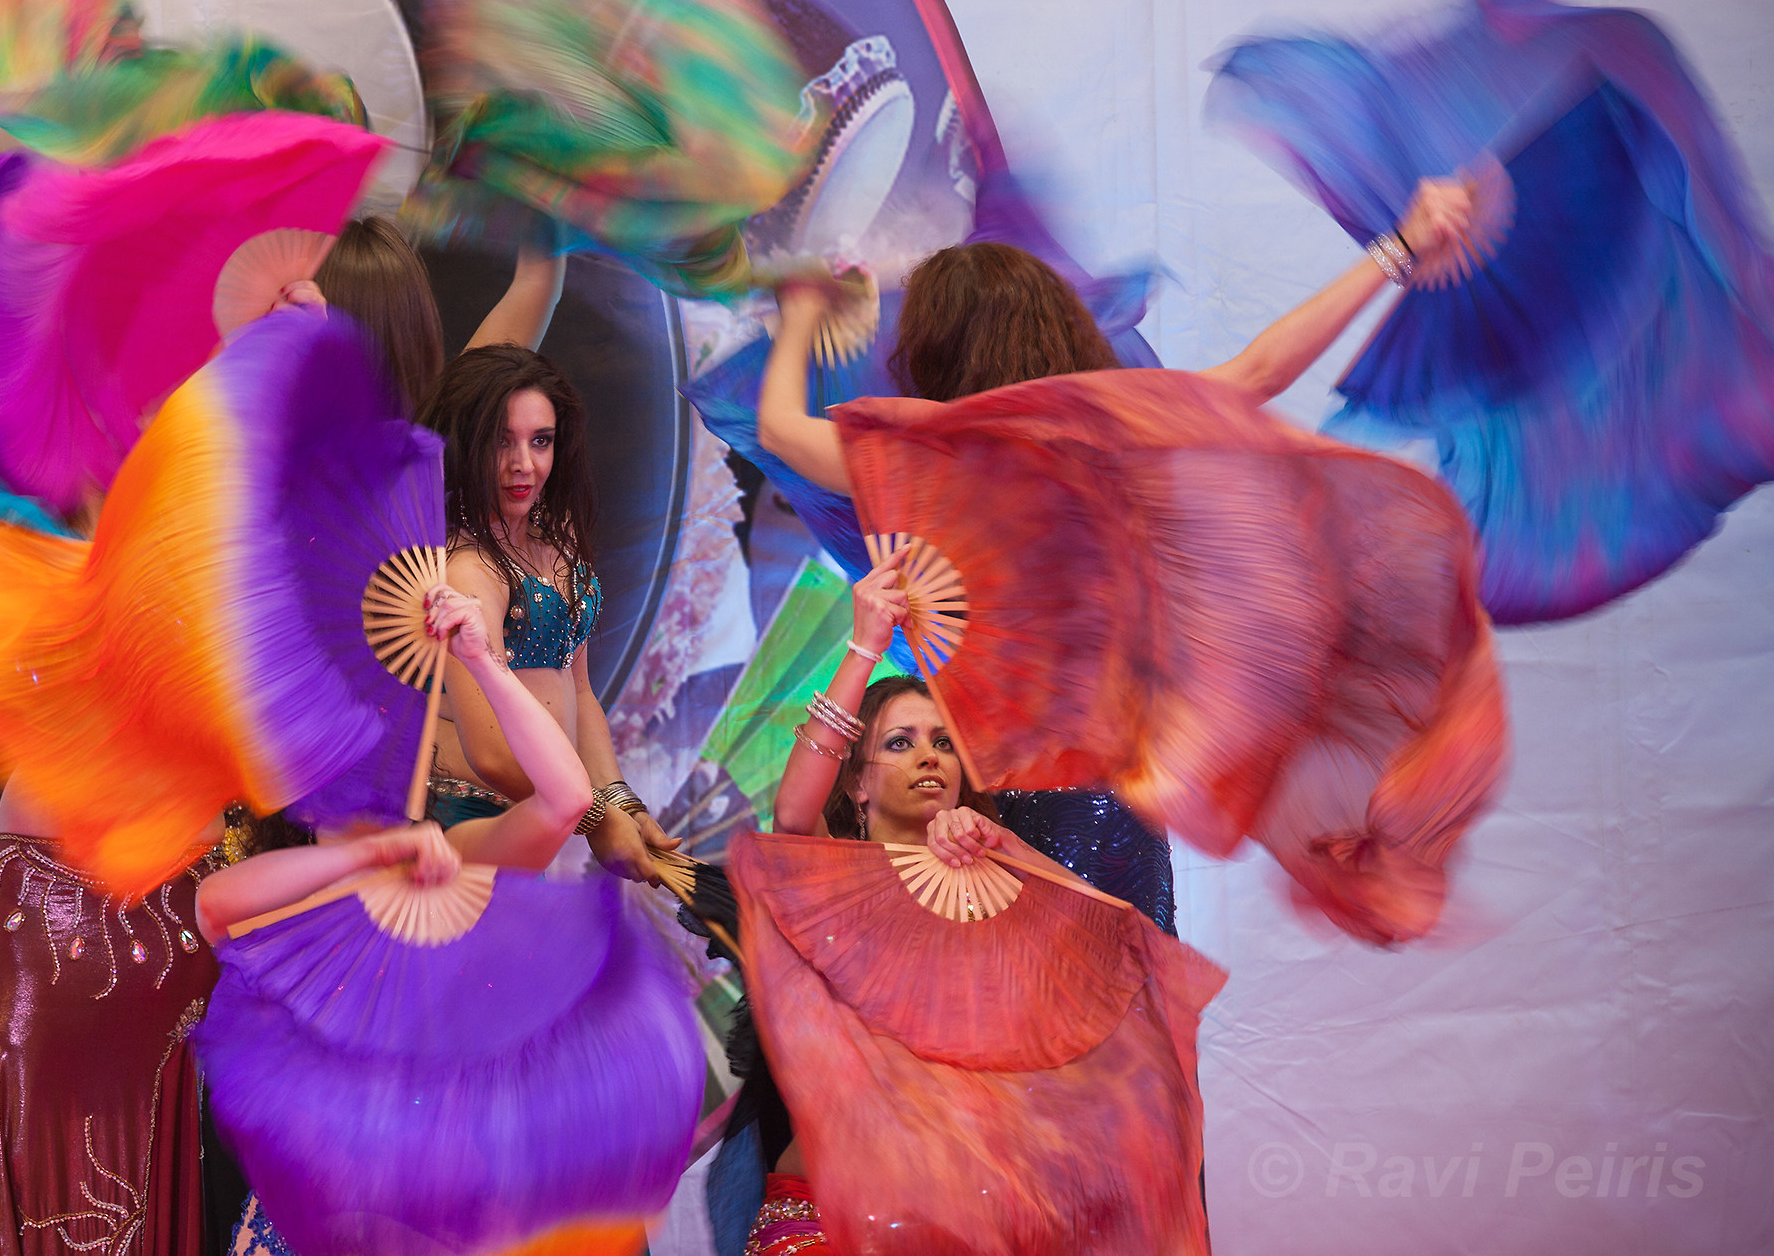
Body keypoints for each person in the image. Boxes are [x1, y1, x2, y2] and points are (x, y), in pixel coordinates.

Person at [749, 180, 1476, 930]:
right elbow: (1258, 373)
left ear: (938, 349)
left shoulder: (924, 461)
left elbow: (777, 429)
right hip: (1117, 806)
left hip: (987, 811)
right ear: (1055, 328)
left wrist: (802, 312)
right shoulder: (1113, 440)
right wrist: (1401, 247)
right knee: (1126, 1015)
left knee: (1024, 1032)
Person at [196, 582, 599, 1256]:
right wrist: (375, 853)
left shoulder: (448, 869)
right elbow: (213, 907)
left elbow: (567, 800)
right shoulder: (278, 900)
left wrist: (480, 661)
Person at [697, 554, 1079, 1253]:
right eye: (898, 744)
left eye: (941, 743)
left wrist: (999, 851)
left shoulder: (996, 893)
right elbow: (791, 811)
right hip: (815, 1223)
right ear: (857, 787)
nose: (928, 757)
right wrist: (866, 642)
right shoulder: (832, 884)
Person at [412, 341, 679, 884]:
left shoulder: (559, 544)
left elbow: (578, 690)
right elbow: (489, 751)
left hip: (546, 813)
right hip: (468, 826)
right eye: (500, 442)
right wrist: (595, 820)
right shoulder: (463, 568)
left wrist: (621, 804)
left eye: (541, 441)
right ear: (464, 444)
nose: (523, 465)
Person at [298, 212, 565, 409]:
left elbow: (534, 284)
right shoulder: (443, 425)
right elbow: (535, 281)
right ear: (419, 319)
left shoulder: (273, 441)